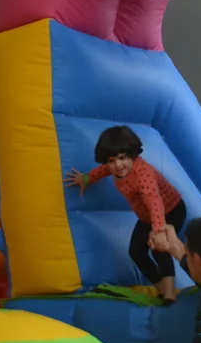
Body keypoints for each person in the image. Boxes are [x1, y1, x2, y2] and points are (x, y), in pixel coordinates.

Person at [65, 125, 186, 303]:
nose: (117, 165)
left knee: (159, 250)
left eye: (122, 158)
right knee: (136, 252)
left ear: (132, 155)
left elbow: (154, 200)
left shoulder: (142, 173)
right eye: (112, 160)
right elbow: (103, 170)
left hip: (171, 209)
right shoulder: (115, 168)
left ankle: (170, 295)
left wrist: (159, 230)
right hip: (146, 216)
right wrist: (86, 178)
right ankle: (161, 288)